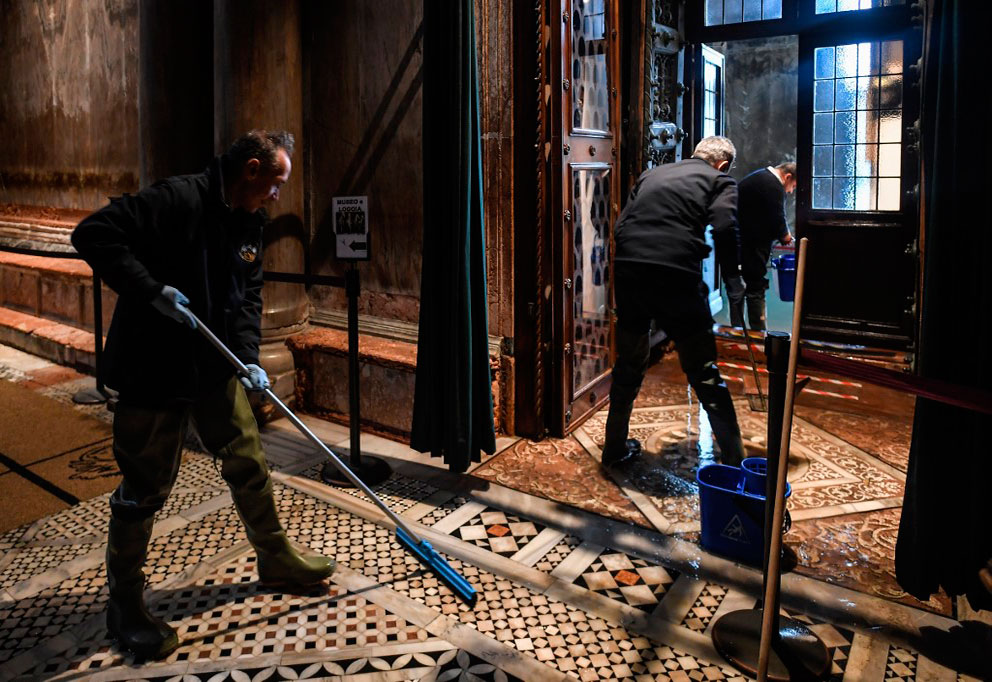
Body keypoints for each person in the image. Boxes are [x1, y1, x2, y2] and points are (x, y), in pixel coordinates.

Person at [71, 130, 336, 660]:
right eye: (276, 183)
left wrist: (249, 357)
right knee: (144, 486)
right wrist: (152, 292)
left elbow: (248, 294)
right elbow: (92, 234)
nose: (277, 196)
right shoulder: (177, 198)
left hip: (213, 368)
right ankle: (124, 603)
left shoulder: (250, 220)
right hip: (154, 369)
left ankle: (274, 556)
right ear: (253, 169)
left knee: (248, 460)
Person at [602, 136, 747, 468]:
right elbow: (726, 228)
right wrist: (734, 282)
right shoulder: (720, 180)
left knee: (628, 364)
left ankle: (613, 448)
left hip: (628, 271)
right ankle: (736, 462)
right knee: (703, 370)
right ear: (723, 164)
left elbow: (622, 227)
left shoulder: (652, 174)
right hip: (675, 275)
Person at [725, 161, 796, 332]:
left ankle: (737, 332)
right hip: (750, 246)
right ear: (787, 177)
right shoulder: (773, 185)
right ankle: (758, 335)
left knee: (738, 290)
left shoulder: (761, 177)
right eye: (793, 186)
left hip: (739, 241)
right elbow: (778, 217)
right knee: (755, 288)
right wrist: (786, 237)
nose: (791, 191)